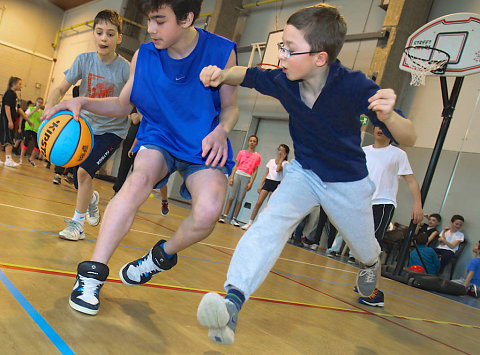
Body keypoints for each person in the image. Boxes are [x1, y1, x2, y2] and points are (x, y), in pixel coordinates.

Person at [196, 4, 417, 344]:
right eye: (281, 46)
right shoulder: (283, 80)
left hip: (348, 184)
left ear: (320, 57)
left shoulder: (354, 86)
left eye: (289, 48)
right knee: (268, 225)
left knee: (363, 249)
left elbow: (408, 138)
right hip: (304, 174)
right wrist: (223, 75)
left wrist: (390, 117)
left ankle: (371, 262)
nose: (281, 55)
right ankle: (233, 302)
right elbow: (248, 74)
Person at [43, 0, 238, 316]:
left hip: (202, 142)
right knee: (136, 184)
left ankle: (159, 257)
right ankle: (91, 274)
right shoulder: (145, 55)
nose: (150, 29)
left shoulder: (221, 50)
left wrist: (223, 130)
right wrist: (79, 101)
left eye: (160, 21)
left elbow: (230, 107)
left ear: (187, 18)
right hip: (159, 135)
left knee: (208, 213)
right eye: (149, 20)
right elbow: (123, 105)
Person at [43, 9, 130, 240]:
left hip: (112, 131)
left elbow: (136, 101)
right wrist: (49, 110)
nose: (104, 38)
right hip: (85, 129)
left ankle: (77, 226)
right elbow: (59, 89)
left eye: (110, 34)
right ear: (93, 34)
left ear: (119, 38)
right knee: (78, 179)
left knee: (83, 173)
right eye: (100, 32)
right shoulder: (83, 60)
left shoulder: (126, 68)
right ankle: (90, 199)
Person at [114, 109, 169, 215]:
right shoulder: (147, 115)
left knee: (161, 180)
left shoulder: (163, 116)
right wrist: (133, 147)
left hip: (161, 147)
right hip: (147, 146)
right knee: (138, 175)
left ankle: (165, 200)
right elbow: (140, 132)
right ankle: (130, 202)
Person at [241, 144, 289, 230]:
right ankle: (250, 223)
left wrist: (282, 159)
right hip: (268, 182)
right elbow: (266, 173)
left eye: (282, 151)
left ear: (286, 153)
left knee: (268, 206)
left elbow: (278, 170)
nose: (280, 152)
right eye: (279, 150)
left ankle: (261, 225)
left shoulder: (285, 163)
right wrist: (260, 185)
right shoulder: (271, 161)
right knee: (258, 203)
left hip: (277, 183)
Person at [218, 135, 261, 226]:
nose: (252, 142)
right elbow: (236, 165)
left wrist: (251, 183)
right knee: (231, 196)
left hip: (247, 177)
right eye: (250, 141)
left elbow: (255, 171)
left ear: (256, 143)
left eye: (254, 141)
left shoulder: (257, 156)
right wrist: (232, 177)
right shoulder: (241, 152)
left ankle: (234, 219)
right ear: (248, 142)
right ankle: (224, 216)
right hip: (238, 174)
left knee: (240, 199)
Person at [1, 77, 28, 167]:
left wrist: (28, 120)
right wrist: (10, 121)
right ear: (13, 84)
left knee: (4, 138)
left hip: (9, 119)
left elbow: (19, 109)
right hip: (6, 119)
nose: (21, 86)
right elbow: (6, 107)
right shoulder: (9, 93)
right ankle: (8, 159)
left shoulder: (14, 95)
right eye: (19, 84)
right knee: (9, 138)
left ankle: (8, 158)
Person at [19, 97, 44, 166]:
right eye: (38, 102)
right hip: (29, 128)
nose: (40, 103)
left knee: (37, 145)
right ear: (36, 102)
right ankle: (21, 158)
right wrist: (34, 111)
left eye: (41, 102)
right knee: (26, 142)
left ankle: (31, 159)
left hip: (36, 129)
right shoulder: (30, 108)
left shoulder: (42, 112)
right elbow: (25, 116)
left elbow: (42, 120)